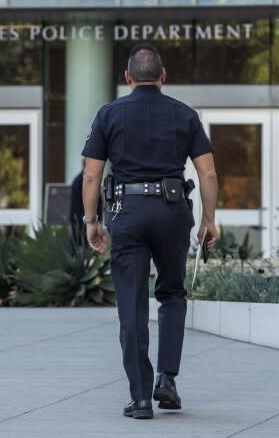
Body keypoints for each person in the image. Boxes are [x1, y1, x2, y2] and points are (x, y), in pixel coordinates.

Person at [81, 43, 218, 420]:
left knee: (131, 303)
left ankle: (140, 398)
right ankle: (167, 380)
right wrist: (209, 219)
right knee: (172, 293)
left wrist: (91, 220)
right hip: (172, 211)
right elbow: (207, 172)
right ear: (163, 76)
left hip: (126, 212)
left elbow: (92, 174)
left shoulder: (108, 114)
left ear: (128, 79)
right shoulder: (185, 114)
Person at [69, 158, 102, 246]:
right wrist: (89, 221)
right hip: (80, 223)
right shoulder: (80, 181)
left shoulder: (87, 181)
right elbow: (77, 206)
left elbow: (99, 203)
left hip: (88, 220)